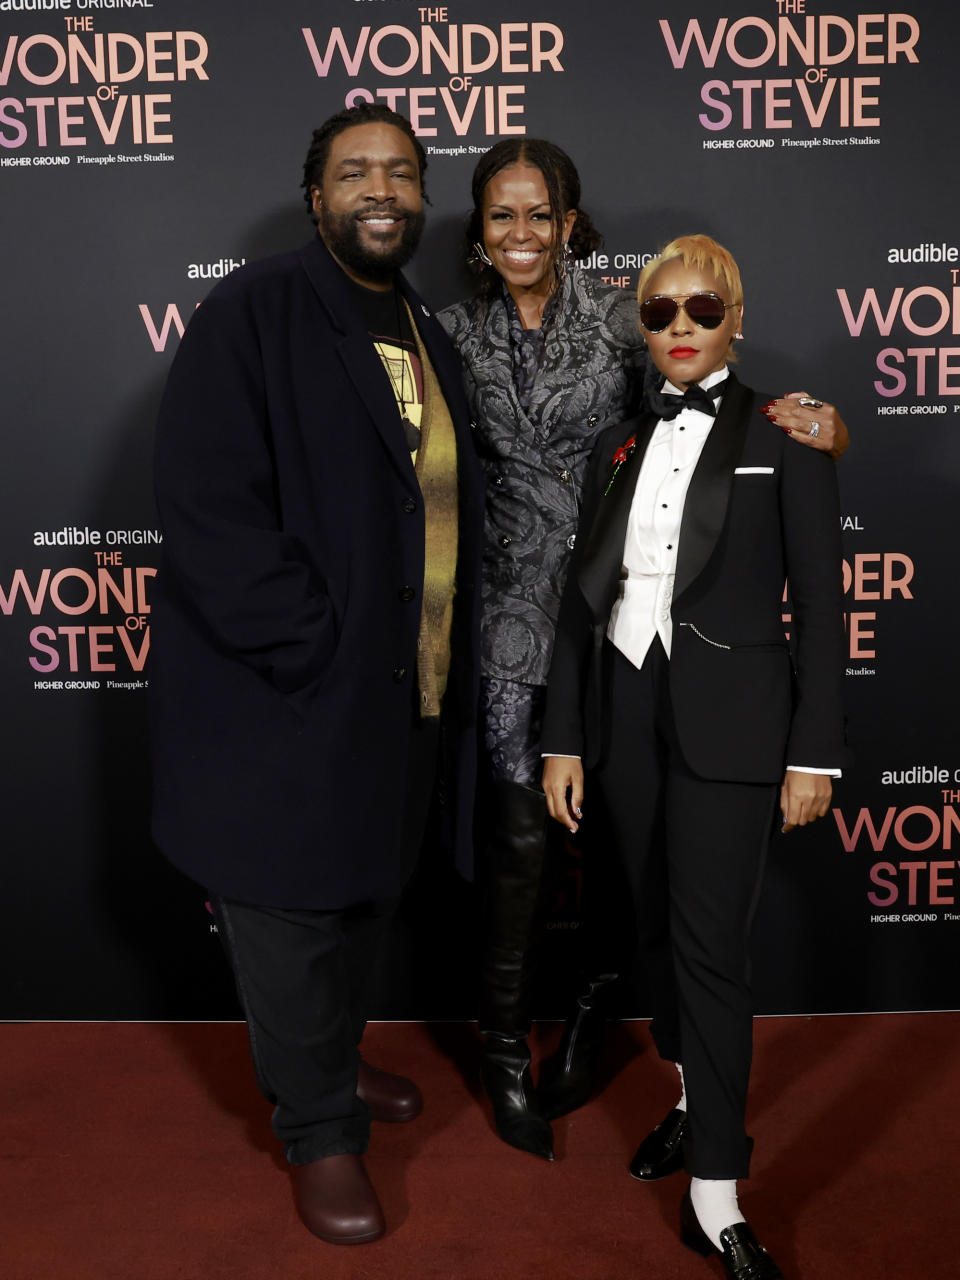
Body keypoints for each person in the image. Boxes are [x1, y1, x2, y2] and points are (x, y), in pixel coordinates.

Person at [439, 140, 850, 1162]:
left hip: (628, 613)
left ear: (572, 223)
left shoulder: (630, 319)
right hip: (507, 616)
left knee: (655, 873)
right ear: (480, 231)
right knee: (526, 834)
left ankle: (602, 1018)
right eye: (502, 215)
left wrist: (823, 434)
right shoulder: (448, 335)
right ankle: (503, 1044)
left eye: (542, 213)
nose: (524, 232)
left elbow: (718, 408)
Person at [149, 103, 484, 1246]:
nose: (380, 189)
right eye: (356, 172)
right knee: (288, 908)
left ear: (424, 198)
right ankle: (319, 1127)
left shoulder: (424, 324)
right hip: (291, 694)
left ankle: (332, 1061)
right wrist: (314, 645)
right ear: (316, 196)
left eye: (401, 171)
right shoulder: (255, 310)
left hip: (405, 692)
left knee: (362, 894)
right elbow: (207, 510)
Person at [542, 234, 847, 1279]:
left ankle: (715, 1189)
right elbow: (583, 606)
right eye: (661, 311)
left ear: (736, 317)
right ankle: (688, 1098)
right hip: (624, 720)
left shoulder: (790, 434)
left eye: (701, 309)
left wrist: (817, 752)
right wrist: (567, 736)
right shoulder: (614, 447)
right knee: (657, 935)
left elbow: (824, 605)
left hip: (737, 730)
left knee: (712, 948)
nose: (679, 327)